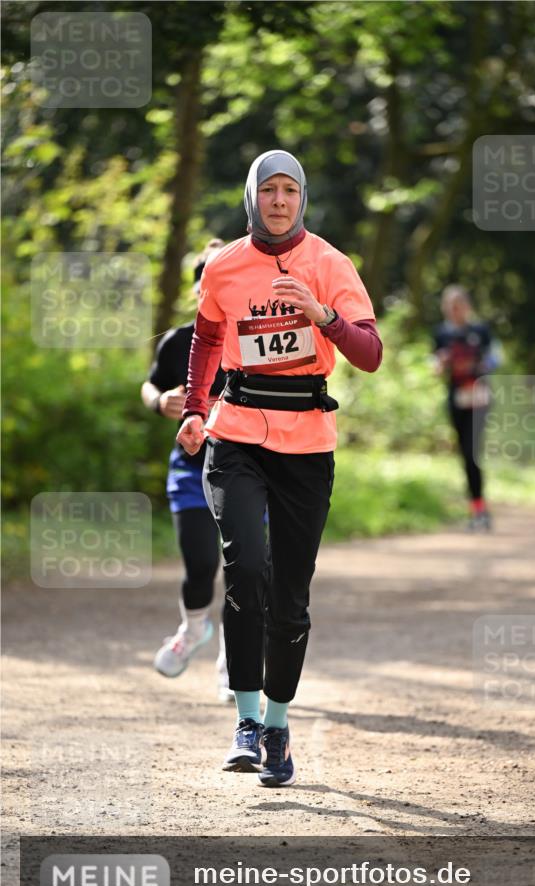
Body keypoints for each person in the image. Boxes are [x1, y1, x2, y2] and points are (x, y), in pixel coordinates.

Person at [177, 150, 382, 787]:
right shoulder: (226, 266)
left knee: (290, 595)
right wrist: (194, 407)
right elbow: (207, 338)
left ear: (303, 199)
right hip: (235, 433)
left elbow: (370, 353)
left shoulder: (330, 263)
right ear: (251, 198)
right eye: (269, 189)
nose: (279, 200)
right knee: (246, 566)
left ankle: (276, 724)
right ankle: (243, 722)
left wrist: (323, 315)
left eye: (290, 189)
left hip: (307, 442)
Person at [141, 239, 233, 702]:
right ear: (199, 286)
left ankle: (232, 663)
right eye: (204, 277)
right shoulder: (179, 341)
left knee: (246, 573)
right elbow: (151, 383)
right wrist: (160, 401)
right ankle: (194, 628)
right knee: (201, 564)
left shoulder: (251, 341)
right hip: (190, 471)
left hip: (247, 468)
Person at [433, 285, 501, 532]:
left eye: (458, 306)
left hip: (480, 398)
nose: (454, 311)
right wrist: (442, 362)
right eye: (450, 307)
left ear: (467, 306)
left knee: (473, 452)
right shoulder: (441, 333)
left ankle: (479, 509)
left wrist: (481, 363)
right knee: (466, 453)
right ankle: (477, 507)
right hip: (457, 399)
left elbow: (497, 358)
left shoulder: (481, 331)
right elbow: (435, 367)